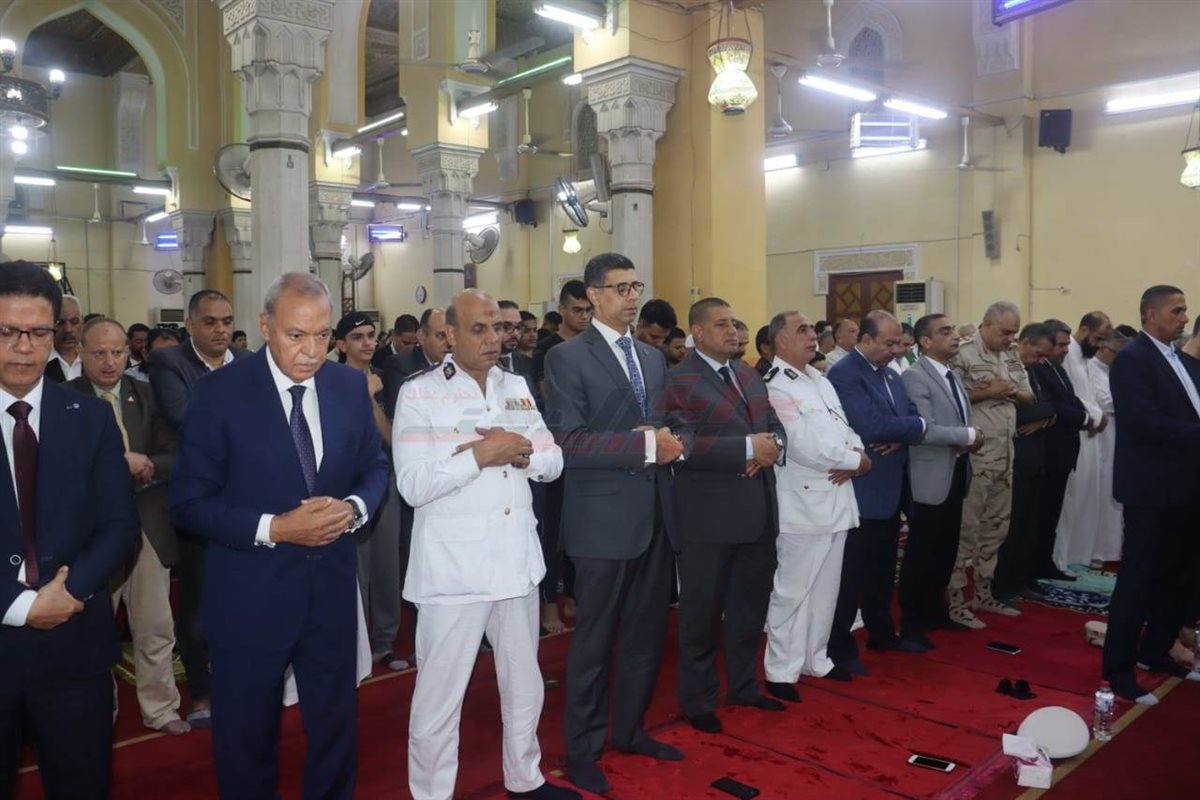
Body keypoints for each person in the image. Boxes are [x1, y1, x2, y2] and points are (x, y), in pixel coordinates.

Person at [169, 273, 389, 798]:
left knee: (335, 728)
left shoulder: (348, 386)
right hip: (250, 596)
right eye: (296, 335)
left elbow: (374, 467)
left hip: (330, 590)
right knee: (246, 736)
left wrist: (353, 509)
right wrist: (276, 528)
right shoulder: (219, 394)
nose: (312, 351)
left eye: (322, 335)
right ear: (265, 325)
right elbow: (188, 503)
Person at [396, 289, 575, 800]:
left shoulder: (515, 386)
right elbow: (413, 484)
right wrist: (480, 455)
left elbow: (553, 460)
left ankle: (526, 777)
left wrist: (521, 455)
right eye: (479, 328)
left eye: (498, 327)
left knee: (524, 682)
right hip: (454, 570)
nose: (494, 338)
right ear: (449, 335)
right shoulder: (420, 393)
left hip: (516, 560)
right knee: (439, 698)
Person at [0, 261, 139, 799]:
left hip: (75, 648)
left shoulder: (89, 416)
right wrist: (21, 606)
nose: (23, 348)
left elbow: (119, 525)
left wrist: (70, 591)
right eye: (7, 331)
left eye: (37, 333)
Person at [544, 254, 682, 794]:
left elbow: (669, 424)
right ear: (594, 295)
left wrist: (673, 439)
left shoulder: (652, 357)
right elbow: (568, 441)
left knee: (646, 635)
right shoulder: (566, 357)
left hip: (654, 514)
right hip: (601, 520)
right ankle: (582, 749)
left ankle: (630, 729)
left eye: (635, 286)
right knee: (594, 644)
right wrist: (645, 444)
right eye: (620, 288)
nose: (632, 297)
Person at [665, 296, 787, 732]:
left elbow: (775, 426)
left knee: (749, 609)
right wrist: (749, 449)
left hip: (757, 510)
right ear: (698, 333)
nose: (734, 331)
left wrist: (772, 447)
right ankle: (698, 700)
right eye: (722, 324)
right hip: (708, 519)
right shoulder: (678, 379)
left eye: (735, 323)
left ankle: (743, 685)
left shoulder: (748, 374)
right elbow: (681, 444)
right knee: (702, 615)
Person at [67, 318, 190, 736]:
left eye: (117, 352)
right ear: (81, 353)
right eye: (98, 353)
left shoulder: (147, 394)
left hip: (148, 524)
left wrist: (148, 464)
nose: (109, 361)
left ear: (128, 353)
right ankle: (100, 713)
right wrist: (119, 464)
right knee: (96, 631)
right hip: (92, 534)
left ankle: (161, 708)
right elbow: (62, 466)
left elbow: (177, 453)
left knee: (155, 624)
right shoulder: (65, 399)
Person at [148, 289, 247, 728]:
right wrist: (244, 423)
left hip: (246, 499)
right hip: (199, 501)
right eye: (210, 322)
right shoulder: (170, 363)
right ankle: (202, 691)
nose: (220, 330)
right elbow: (186, 419)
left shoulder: (248, 362)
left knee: (243, 596)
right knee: (198, 599)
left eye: (226, 321)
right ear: (189, 325)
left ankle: (239, 679)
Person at [761, 311, 870, 697]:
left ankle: (815, 658)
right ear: (781, 341)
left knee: (826, 590)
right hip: (804, 503)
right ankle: (780, 671)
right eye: (802, 330)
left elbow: (845, 428)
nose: (812, 335)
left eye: (812, 329)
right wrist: (854, 461)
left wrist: (858, 453)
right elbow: (801, 444)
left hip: (837, 499)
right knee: (793, 590)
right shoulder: (776, 386)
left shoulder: (820, 380)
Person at [1103, 285, 1200, 703]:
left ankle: (1155, 650)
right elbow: (1144, 422)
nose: (1184, 318)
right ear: (1151, 314)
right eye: (1177, 311)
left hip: (1184, 486)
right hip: (1150, 488)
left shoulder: (1176, 358)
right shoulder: (1133, 359)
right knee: (1137, 581)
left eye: (1184, 311)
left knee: (1175, 576)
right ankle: (1119, 671)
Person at [826, 311, 933, 673]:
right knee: (850, 575)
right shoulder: (845, 374)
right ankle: (839, 649)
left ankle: (882, 632)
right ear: (865, 340)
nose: (896, 350)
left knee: (882, 570)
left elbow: (917, 419)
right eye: (888, 343)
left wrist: (901, 436)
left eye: (898, 343)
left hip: (890, 487)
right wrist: (905, 429)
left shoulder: (891, 374)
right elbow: (869, 425)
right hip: (861, 489)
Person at [897, 314, 981, 645]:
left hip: (956, 470)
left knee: (946, 548)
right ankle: (913, 621)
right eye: (945, 332)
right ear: (925, 342)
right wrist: (968, 435)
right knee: (922, 551)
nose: (955, 336)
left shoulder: (952, 375)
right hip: (929, 476)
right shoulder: (915, 377)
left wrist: (968, 437)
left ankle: (935, 610)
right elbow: (924, 428)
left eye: (954, 330)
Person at [949, 301, 1033, 627]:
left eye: (1014, 333)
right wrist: (986, 393)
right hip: (975, 457)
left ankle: (983, 594)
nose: (1011, 338)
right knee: (965, 531)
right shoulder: (963, 354)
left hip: (1005, 456)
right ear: (986, 324)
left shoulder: (1011, 354)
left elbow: (1028, 396)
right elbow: (950, 400)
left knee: (996, 528)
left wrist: (1007, 391)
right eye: (1005, 332)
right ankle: (956, 602)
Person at [335, 311, 407, 671]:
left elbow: (392, 436)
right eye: (357, 337)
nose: (366, 342)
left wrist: (370, 398)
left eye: (370, 335)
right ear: (340, 344)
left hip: (385, 479)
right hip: (346, 484)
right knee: (356, 568)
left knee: (386, 564)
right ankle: (356, 647)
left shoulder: (385, 379)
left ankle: (384, 643)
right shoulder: (328, 380)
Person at [991, 324, 1057, 603]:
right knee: (1011, 530)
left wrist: (1044, 416)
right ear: (1025, 343)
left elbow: (1052, 405)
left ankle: (1021, 580)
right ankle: (1002, 586)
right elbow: (1011, 413)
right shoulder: (1004, 368)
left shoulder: (1034, 370)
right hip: (1013, 461)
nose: (1041, 360)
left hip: (1035, 461)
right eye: (1038, 353)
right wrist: (1041, 414)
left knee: (1028, 528)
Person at [1029, 320, 1090, 589]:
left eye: (1067, 345)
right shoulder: (1038, 370)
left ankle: (1045, 562)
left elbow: (1072, 403)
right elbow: (1053, 407)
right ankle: (1032, 567)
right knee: (1039, 515)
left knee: (1052, 514)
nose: (1066, 350)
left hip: (1064, 454)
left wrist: (1080, 414)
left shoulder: (1059, 370)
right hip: (1047, 454)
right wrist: (1083, 417)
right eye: (1061, 345)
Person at [1052, 312, 1111, 573]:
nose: (1100, 345)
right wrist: (1095, 415)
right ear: (1085, 330)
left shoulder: (1085, 357)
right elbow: (1070, 397)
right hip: (1076, 431)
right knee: (1071, 499)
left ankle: (1079, 556)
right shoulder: (1067, 355)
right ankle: (1061, 558)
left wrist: (1097, 415)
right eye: (1098, 338)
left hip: (1090, 434)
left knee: (1087, 497)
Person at [1088, 330, 1128, 565]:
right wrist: (1130, 400)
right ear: (1103, 348)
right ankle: (1098, 551)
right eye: (1116, 354)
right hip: (1101, 436)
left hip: (1114, 435)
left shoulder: (1109, 370)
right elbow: (1104, 402)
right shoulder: (1092, 368)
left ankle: (1111, 550)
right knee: (1102, 492)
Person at [44, 293, 83, 382]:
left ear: (82, 322)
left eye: (74, 321)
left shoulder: (93, 361)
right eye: (60, 323)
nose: (68, 329)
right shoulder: (40, 363)